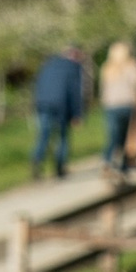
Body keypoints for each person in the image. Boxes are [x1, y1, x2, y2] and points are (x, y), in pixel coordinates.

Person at [30, 43, 89, 178]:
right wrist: (77, 114)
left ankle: (37, 160)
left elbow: (37, 85)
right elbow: (75, 92)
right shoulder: (73, 67)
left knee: (43, 135)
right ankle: (60, 167)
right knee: (62, 137)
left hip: (43, 104)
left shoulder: (48, 64)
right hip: (61, 105)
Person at [99, 34, 136, 176]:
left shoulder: (107, 68)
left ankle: (108, 161)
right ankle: (123, 165)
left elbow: (103, 88)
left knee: (113, 135)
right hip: (128, 104)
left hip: (111, 106)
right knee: (126, 136)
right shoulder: (132, 66)